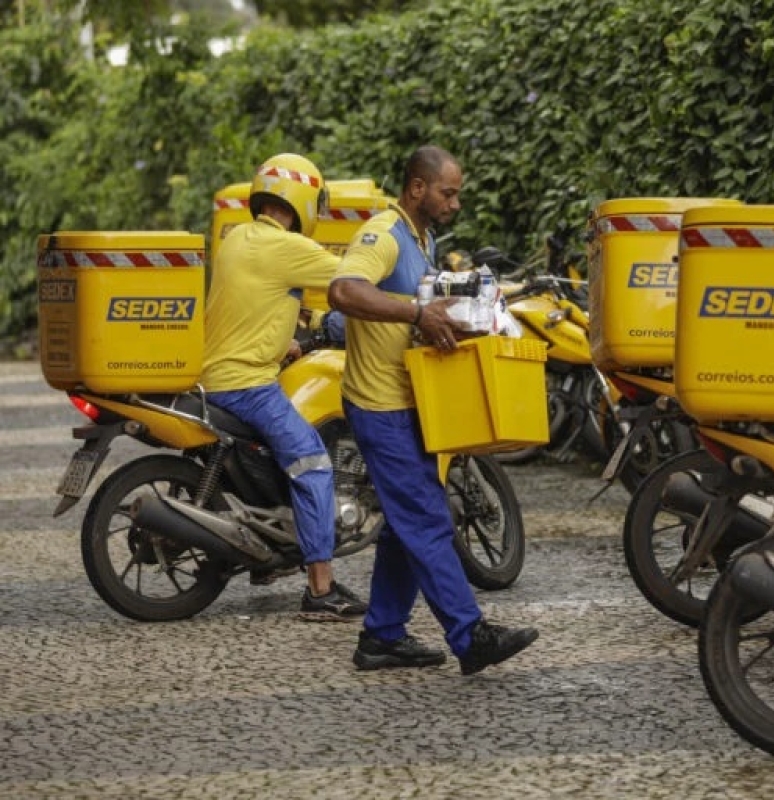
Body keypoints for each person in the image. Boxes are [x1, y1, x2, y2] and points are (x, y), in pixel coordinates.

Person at [327, 144, 539, 675]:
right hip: (379, 404)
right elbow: (343, 290)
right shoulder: (383, 235)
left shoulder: (424, 239)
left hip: (410, 400)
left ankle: (382, 635)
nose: (456, 202)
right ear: (417, 188)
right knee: (425, 516)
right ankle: (470, 637)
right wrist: (418, 313)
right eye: (449, 192)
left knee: (406, 523)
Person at [199, 152, 367, 622]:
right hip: (247, 384)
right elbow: (355, 282)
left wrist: (288, 341)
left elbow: (257, 303)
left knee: (280, 457)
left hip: (217, 375)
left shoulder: (237, 239)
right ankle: (320, 590)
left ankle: (266, 560)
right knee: (313, 464)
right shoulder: (286, 247)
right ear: (304, 199)